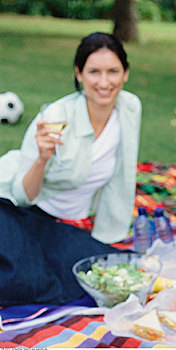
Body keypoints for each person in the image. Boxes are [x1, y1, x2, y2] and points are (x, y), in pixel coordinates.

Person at [0, 32, 141, 305]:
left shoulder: (130, 107)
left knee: (107, 272)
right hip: (12, 207)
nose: (104, 82)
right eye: (94, 72)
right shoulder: (54, 117)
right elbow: (24, 195)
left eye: (113, 71)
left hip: (59, 226)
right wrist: (42, 158)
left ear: (125, 73)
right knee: (21, 281)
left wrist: (108, 229)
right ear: (79, 74)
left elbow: (123, 172)